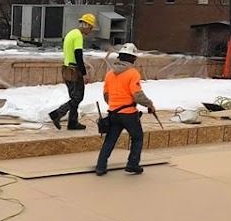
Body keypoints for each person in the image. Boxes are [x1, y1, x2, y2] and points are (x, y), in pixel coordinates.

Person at [95, 43, 157, 176]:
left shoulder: (110, 74)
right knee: (137, 137)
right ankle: (132, 164)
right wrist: (150, 105)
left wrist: (114, 104)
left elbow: (106, 95)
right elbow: (137, 95)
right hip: (129, 114)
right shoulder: (132, 73)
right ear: (132, 58)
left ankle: (101, 166)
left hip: (113, 113)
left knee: (110, 140)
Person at [49, 13, 98, 131]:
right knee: (77, 98)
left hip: (66, 69)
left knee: (74, 97)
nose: (90, 30)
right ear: (86, 25)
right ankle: (57, 114)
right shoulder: (78, 36)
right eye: (90, 28)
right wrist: (84, 73)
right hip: (74, 71)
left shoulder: (71, 33)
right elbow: (78, 55)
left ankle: (73, 122)